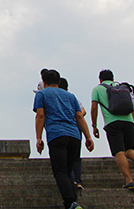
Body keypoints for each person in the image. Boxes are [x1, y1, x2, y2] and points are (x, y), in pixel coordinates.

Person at [34, 70, 94, 209]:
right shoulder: (70, 96)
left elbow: (40, 116)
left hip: (57, 135)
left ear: (44, 82)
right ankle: (73, 201)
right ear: (59, 81)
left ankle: (71, 203)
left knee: (60, 171)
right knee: (67, 171)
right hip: (74, 136)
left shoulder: (41, 94)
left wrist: (38, 138)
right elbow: (79, 117)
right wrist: (88, 136)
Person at [91, 69, 134, 191]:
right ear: (112, 77)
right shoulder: (122, 87)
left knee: (119, 152)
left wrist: (94, 125)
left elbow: (94, 108)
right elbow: (131, 108)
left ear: (100, 79)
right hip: (129, 122)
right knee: (130, 149)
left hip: (112, 123)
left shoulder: (97, 89)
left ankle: (129, 180)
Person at [59, 77, 86, 190]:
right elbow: (82, 111)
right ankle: (78, 181)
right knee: (76, 157)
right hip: (75, 129)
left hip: (61, 129)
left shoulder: (56, 98)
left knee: (65, 157)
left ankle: (71, 180)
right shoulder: (72, 97)